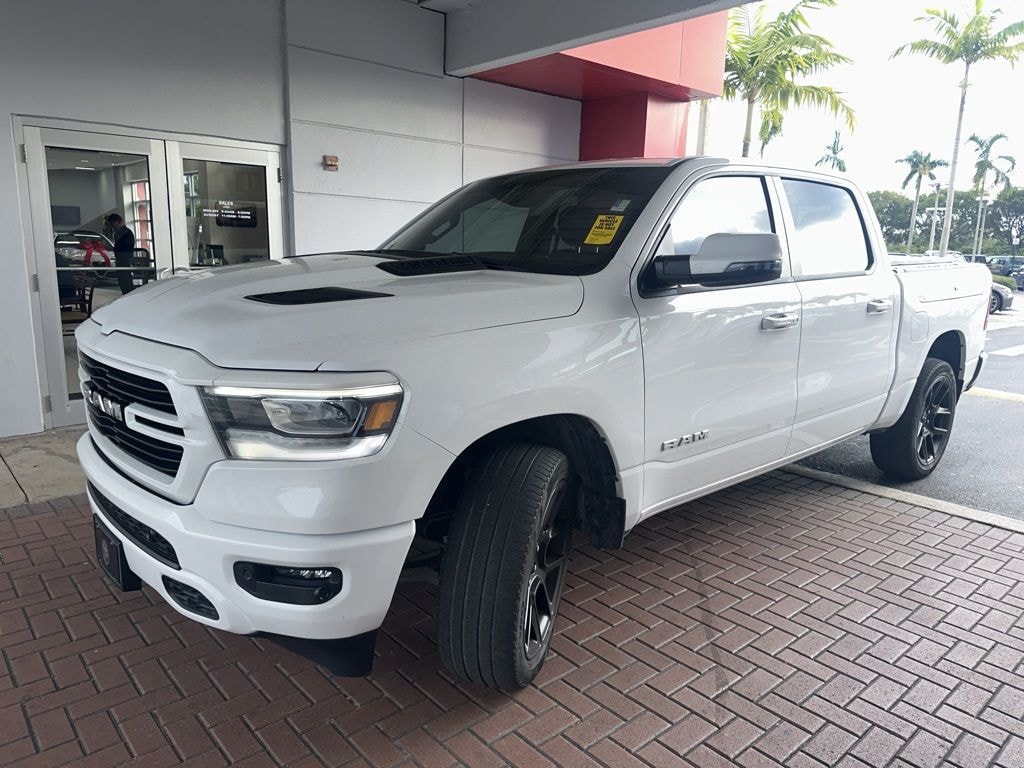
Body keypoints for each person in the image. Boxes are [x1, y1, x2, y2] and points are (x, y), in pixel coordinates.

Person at [104, 213, 136, 294]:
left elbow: (125, 248)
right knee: (123, 283)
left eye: (113, 224)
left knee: (126, 283)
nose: (113, 227)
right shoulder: (118, 233)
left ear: (119, 222)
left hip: (125, 260)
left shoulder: (126, 233)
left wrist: (113, 249)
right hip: (120, 260)